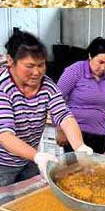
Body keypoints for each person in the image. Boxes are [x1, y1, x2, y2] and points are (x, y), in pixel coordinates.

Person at [0, 31, 95, 187]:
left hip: (30, 157)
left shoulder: (47, 85)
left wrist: (80, 147)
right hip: (3, 164)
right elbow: (4, 135)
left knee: (30, 196)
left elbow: (64, 116)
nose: (37, 72)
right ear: (11, 61)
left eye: (41, 65)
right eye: (29, 66)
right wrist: (37, 156)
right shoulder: (3, 87)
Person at [55, 37, 105, 154]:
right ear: (90, 56)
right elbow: (56, 100)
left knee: (95, 171)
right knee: (74, 171)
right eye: (100, 62)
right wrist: (60, 129)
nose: (103, 68)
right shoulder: (75, 71)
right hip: (76, 135)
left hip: (99, 136)